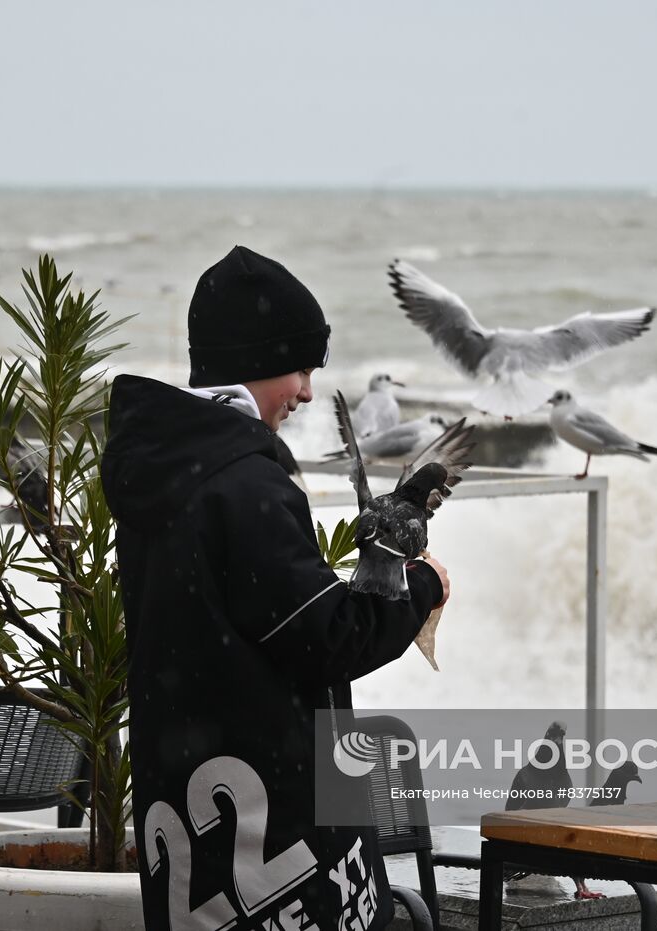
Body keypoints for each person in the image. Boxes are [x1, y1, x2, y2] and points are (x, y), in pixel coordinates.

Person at [101, 245, 450, 931]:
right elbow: (327, 637)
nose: (308, 391)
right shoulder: (245, 483)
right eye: (300, 368)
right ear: (256, 361)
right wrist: (419, 588)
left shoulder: (157, 475)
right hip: (277, 823)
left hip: (189, 807)